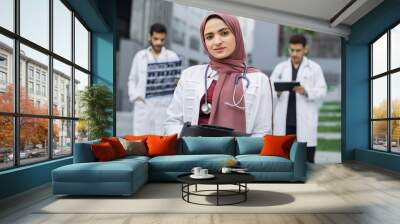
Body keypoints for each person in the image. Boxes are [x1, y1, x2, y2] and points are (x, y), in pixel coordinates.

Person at [164, 13, 272, 136]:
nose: (217, 42)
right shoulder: (189, 75)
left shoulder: (258, 80)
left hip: (237, 154)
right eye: (209, 37)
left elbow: (263, 132)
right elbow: (172, 123)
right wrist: (193, 136)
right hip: (192, 151)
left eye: (224, 33)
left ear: (236, 35)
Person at [271, 34, 327, 163]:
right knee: (283, 159)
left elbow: (322, 90)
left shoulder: (314, 68)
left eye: (298, 50)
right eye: (292, 50)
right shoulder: (280, 68)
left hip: (304, 122)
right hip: (284, 123)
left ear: (305, 49)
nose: (294, 54)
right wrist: (277, 92)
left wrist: (306, 91)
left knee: (306, 160)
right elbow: (270, 89)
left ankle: (309, 182)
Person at [128, 23, 180, 135]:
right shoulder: (140, 56)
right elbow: (132, 79)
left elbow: (178, 82)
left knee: (162, 141)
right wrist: (136, 96)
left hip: (164, 106)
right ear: (149, 37)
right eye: (156, 39)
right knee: (141, 141)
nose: (159, 43)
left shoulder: (172, 57)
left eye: (162, 40)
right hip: (143, 105)